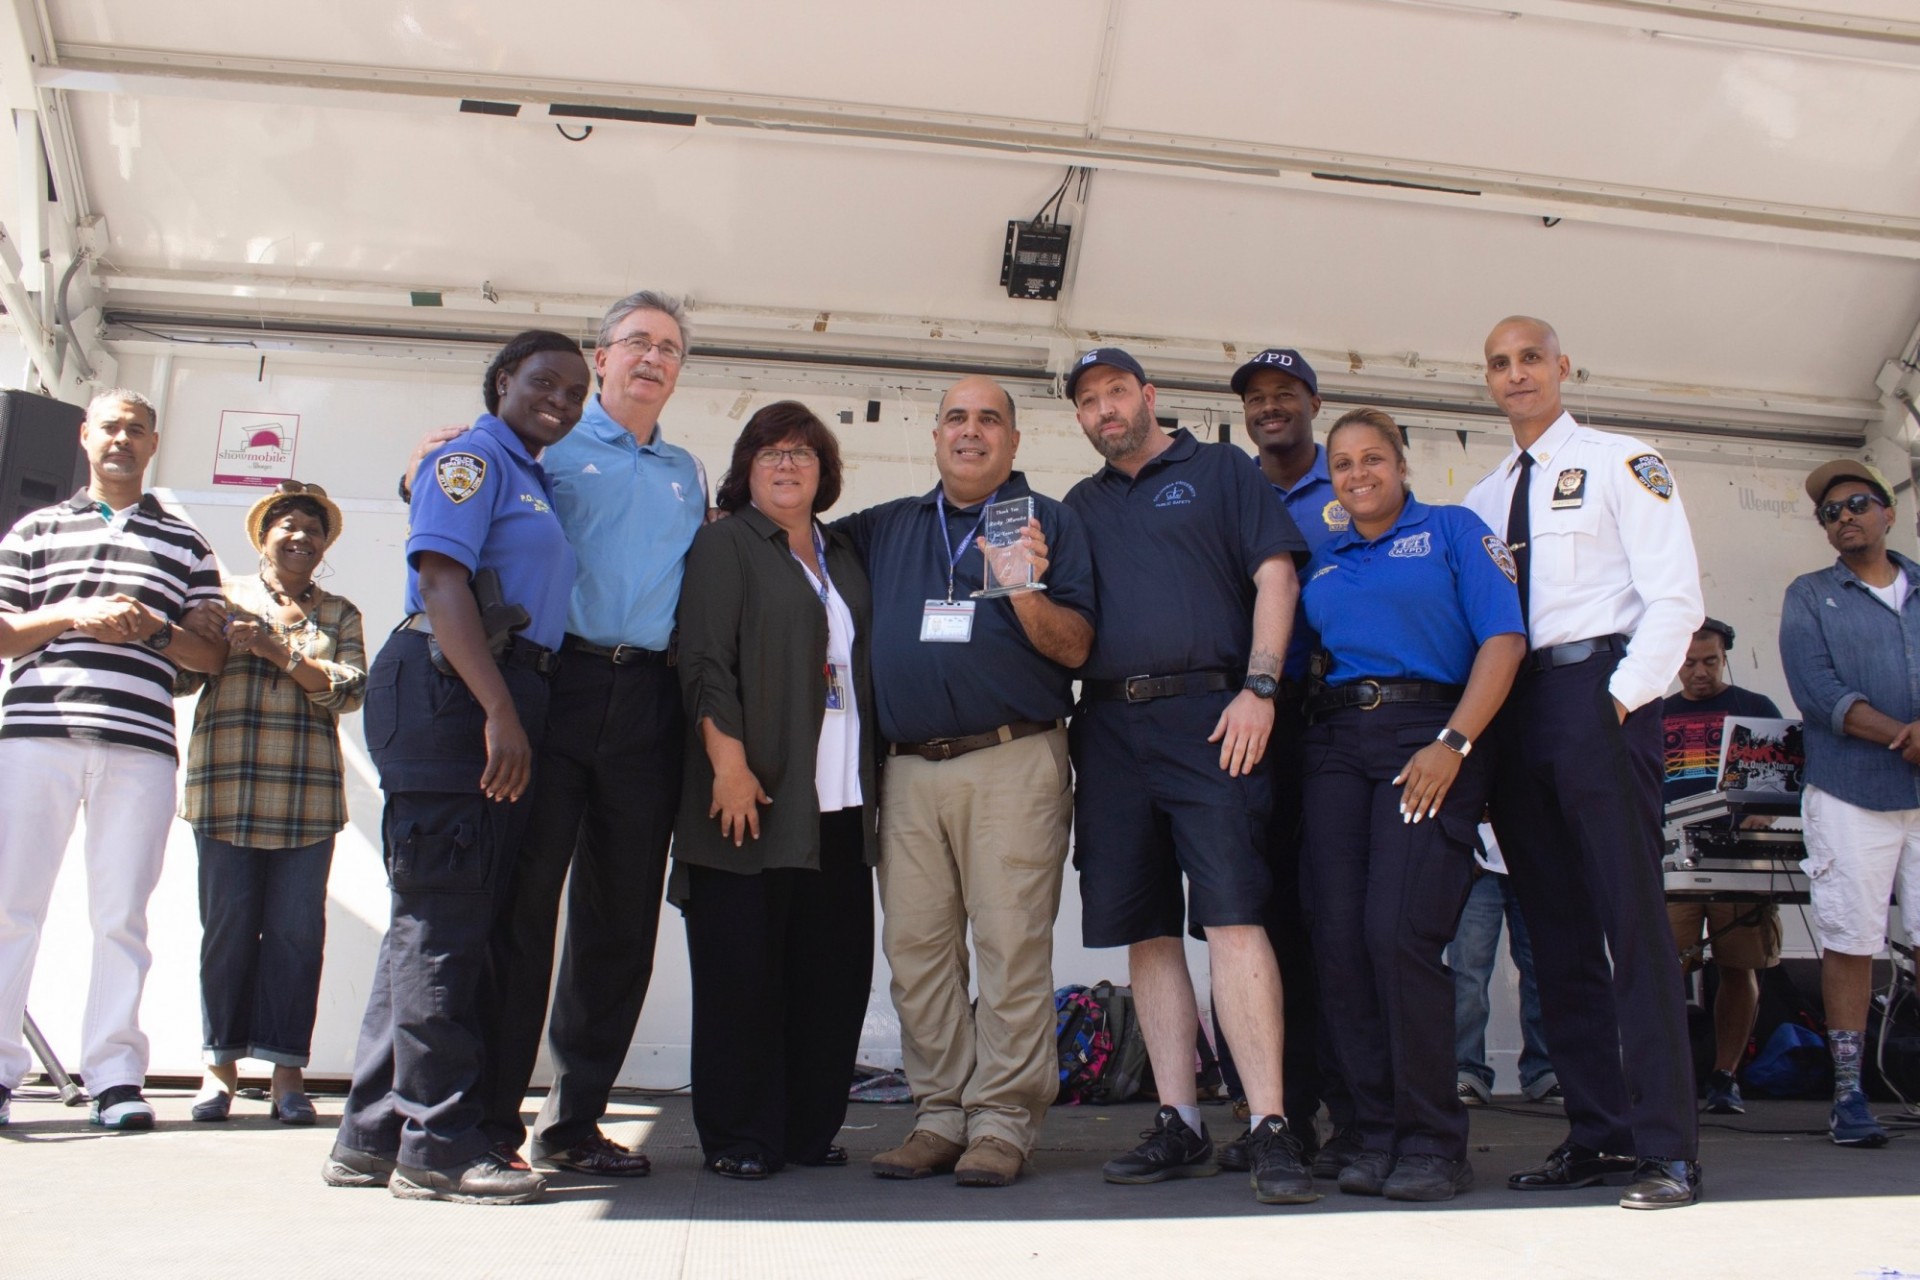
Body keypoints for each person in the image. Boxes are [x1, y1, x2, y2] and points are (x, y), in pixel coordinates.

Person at [405, 292, 706, 1179]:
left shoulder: (688, 469)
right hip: (556, 683)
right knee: (523, 911)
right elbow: (452, 493)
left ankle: (573, 1123)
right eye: (637, 343)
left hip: (647, 700)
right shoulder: (546, 442)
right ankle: (493, 1121)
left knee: (619, 922)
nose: (653, 359)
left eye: (671, 349)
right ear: (601, 358)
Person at [325, 330, 589, 1205]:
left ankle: (370, 1133)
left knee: (427, 914)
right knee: (446, 923)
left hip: (490, 687)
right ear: (503, 380)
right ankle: (438, 1144)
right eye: (544, 380)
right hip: (459, 692)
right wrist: (501, 711)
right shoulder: (473, 460)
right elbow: (441, 581)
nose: (562, 398)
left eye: (575, 391)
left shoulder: (527, 472)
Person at [1061, 347, 1316, 1205]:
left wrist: (1261, 687)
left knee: (1236, 916)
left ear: (1148, 395)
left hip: (1216, 716)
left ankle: (1271, 1121)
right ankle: (1179, 1119)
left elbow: (1275, 573)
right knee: (1146, 927)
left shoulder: (1220, 470)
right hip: (1107, 727)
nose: (1105, 410)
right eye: (1089, 402)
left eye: (1117, 393)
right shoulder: (1078, 506)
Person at [1463, 316, 1705, 1210]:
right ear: (1486, 381)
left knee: (1631, 925)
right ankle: (1598, 1135)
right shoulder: (1485, 498)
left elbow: (1675, 597)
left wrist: (1619, 698)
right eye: (1500, 363)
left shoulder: (1621, 460)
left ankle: (1668, 1147)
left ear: (1563, 367)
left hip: (1599, 694)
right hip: (1517, 710)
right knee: (1554, 938)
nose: (1516, 374)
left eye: (1531, 358)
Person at [837, 376, 1095, 1188]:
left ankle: (1003, 1122)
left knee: (1010, 945)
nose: (972, 432)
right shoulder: (886, 526)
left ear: (1015, 442)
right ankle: (940, 1113)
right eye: (957, 418)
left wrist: (1020, 586)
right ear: (935, 436)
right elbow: (784, 537)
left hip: (1013, 757)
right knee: (916, 949)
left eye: (991, 420)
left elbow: (1078, 648)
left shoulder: (1052, 522)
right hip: (908, 768)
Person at [1296, 408, 1526, 1202]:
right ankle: (1367, 1131)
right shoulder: (1325, 562)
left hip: (1428, 739)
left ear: (1402, 463)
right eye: (1343, 464)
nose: (1358, 474)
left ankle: (1433, 1140)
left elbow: (1503, 640)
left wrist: (1455, 744)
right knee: (1339, 943)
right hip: (1334, 746)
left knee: (1398, 936)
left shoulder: (1456, 531)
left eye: (1372, 459)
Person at [0, 389, 226, 1132]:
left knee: (121, 915)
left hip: (139, 748)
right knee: (11, 910)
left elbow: (211, 653)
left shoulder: (187, 543)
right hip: (38, 736)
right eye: (110, 428)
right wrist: (76, 614)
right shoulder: (36, 528)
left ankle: (115, 1076)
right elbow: (4, 633)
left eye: (136, 429)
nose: (122, 439)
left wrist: (153, 629)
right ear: (84, 437)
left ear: (153, 444)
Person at [672, 401, 876, 1180]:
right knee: (740, 977)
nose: (787, 465)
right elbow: (702, 662)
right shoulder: (725, 544)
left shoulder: (845, 555)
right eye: (769, 453)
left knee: (829, 977)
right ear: (746, 469)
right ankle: (740, 1136)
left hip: (841, 806)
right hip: (750, 797)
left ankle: (805, 1128)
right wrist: (728, 763)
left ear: (825, 471)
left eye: (802, 453)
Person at [177, 481, 367, 1125]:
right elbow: (184, 673)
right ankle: (219, 1072)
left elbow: (347, 690)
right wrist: (186, 630)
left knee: (295, 938)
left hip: (306, 799)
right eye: (286, 526)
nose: (300, 537)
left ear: (324, 547)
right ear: (262, 538)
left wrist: (273, 648)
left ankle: (289, 1075)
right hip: (225, 791)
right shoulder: (220, 599)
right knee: (225, 934)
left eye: (313, 531)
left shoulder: (340, 614)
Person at [1218, 347, 1355, 1177]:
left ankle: (1350, 1108)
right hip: (1242, 719)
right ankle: (1274, 1113)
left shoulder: (1348, 485)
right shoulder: (1230, 489)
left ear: (1312, 402)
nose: (1271, 408)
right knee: (1249, 915)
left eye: (1285, 395)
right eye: (1257, 399)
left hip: (1324, 718)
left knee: (1327, 919)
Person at [1779, 457, 1920, 1150]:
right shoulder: (1809, 595)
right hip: (1851, 791)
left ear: (1889, 513)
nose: (1844, 517)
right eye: (1830, 512)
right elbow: (1816, 691)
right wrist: (1901, 736)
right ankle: (1848, 1094)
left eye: (1858, 504)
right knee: (1851, 938)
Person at [1661, 617, 1783, 1116]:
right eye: (1688, 663)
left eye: (1709, 662)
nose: (1699, 673)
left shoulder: (1756, 709)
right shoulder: (1653, 712)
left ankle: (1725, 1075)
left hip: (1741, 861)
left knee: (1739, 966)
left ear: (1725, 656)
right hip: (1672, 858)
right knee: (1665, 968)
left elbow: (1782, 782)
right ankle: (1665, 1079)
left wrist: (1768, 807)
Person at [1449, 824, 1556, 1108]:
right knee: (1467, 971)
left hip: (1535, 853)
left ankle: (1544, 1070)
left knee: (1543, 969)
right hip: (1475, 857)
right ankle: (1466, 1068)